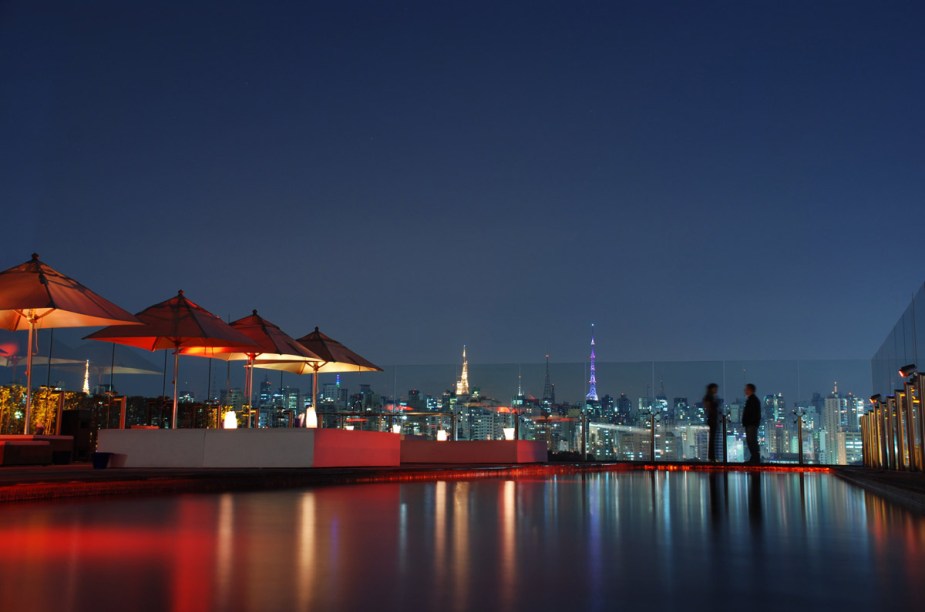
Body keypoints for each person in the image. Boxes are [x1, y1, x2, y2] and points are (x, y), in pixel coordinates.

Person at [742, 383, 761, 465]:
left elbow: (752, 413)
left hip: (751, 424)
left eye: (746, 389)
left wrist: (749, 422)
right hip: (751, 424)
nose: (745, 390)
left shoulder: (752, 400)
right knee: (752, 441)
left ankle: (755, 459)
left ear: (750, 390)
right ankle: (754, 459)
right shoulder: (753, 399)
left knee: (751, 441)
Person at [703, 383, 721, 462]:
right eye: (715, 388)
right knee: (712, 439)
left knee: (713, 439)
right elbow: (708, 408)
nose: (716, 390)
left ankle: (712, 457)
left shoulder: (711, 397)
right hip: (712, 419)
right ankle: (711, 457)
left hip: (713, 419)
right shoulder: (709, 397)